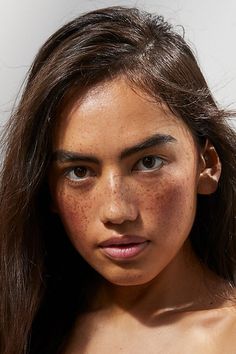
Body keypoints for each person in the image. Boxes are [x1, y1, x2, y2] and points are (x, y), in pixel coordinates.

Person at [0, 6, 236, 354]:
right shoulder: (20, 322)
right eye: (79, 171)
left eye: (148, 163)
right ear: (47, 188)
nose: (116, 210)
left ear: (207, 165)